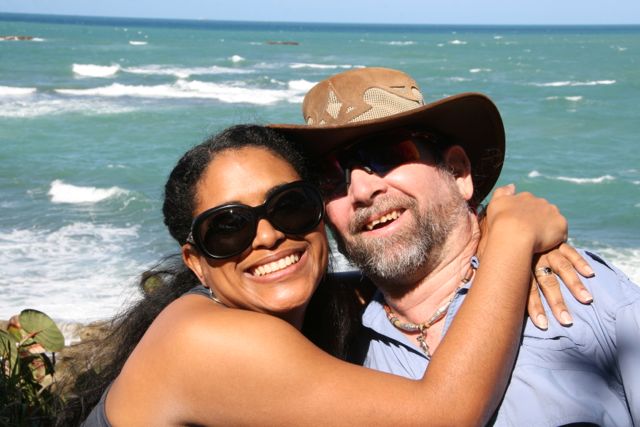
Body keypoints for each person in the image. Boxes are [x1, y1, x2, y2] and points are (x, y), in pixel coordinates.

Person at [76, 124, 571, 426]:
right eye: (227, 228)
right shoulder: (203, 339)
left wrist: (489, 234)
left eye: (289, 206)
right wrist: (512, 240)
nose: (267, 236)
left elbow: (419, 275)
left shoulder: (320, 306)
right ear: (196, 261)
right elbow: (443, 415)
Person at [271, 67, 640, 425]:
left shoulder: (584, 296)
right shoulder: (331, 340)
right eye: (329, 177)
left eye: (387, 155)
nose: (363, 191)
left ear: (459, 172)